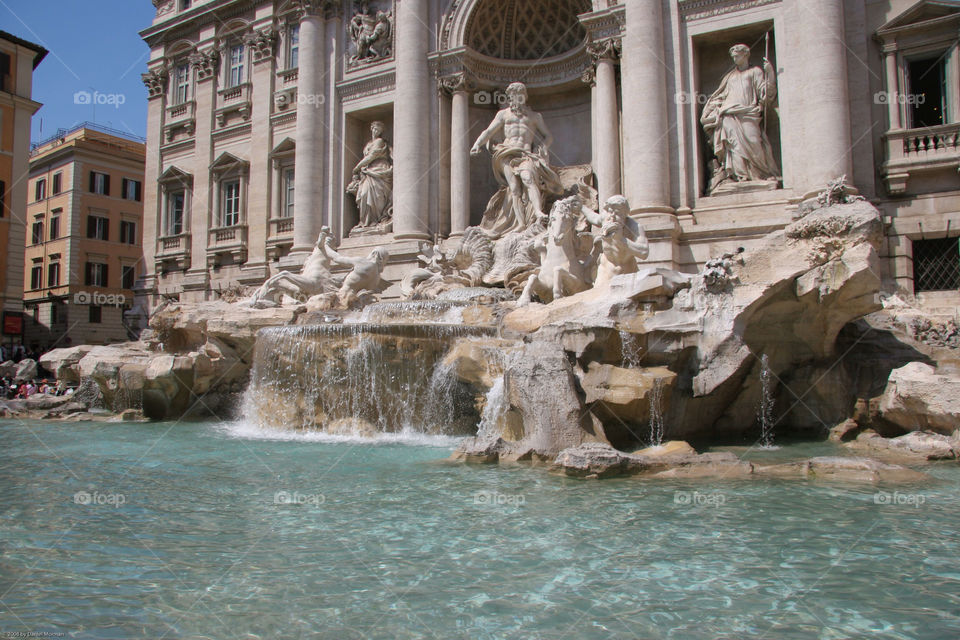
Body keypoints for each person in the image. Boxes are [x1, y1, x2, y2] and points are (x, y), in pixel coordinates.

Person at [470, 82, 562, 237]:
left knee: (528, 178)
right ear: (510, 97)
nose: (515, 98)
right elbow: (489, 131)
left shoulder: (534, 116)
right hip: (506, 152)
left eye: (519, 94)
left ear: (524, 97)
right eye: (512, 95)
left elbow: (548, 136)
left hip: (525, 154)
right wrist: (477, 144)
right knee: (514, 188)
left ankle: (538, 212)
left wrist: (543, 147)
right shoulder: (503, 115)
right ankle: (520, 223)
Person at [700, 43, 780, 194]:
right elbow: (720, 96)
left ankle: (760, 175)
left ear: (745, 55)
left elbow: (766, 94)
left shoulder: (755, 72)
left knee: (754, 141)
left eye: (737, 56)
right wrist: (713, 109)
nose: (734, 59)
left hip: (748, 113)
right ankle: (740, 177)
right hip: (728, 115)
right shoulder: (729, 77)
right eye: (733, 57)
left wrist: (770, 74)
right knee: (734, 147)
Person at [347, 121, 393, 229]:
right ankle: (366, 222)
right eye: (375, 128)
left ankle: (376, 220)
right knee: (364, 194)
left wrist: (357, 167)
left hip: (379, 169)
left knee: (377, 196)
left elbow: (372, 156)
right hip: (368, 172)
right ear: (371, 129)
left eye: (379, 129)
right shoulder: (368, 144)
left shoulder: (380, 141)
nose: (376, 131)